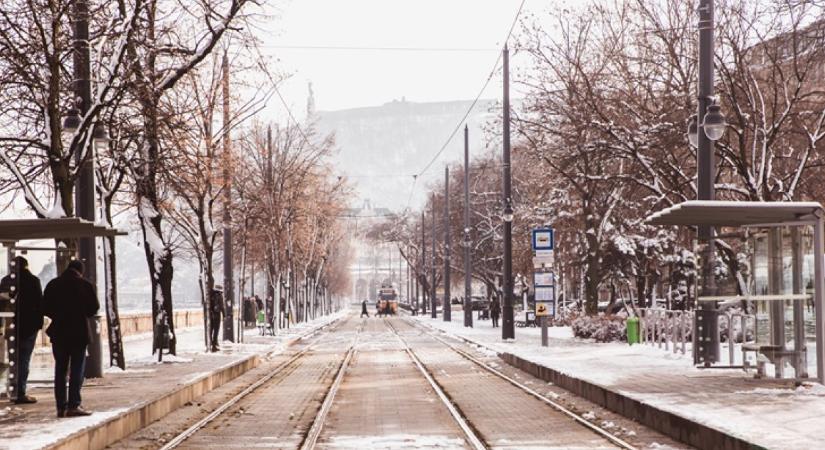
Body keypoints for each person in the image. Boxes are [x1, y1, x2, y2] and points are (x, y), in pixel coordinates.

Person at [43, 260, 99, 417]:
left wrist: (59, 316)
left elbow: (45, 307)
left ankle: (61, 406)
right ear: (80, 271)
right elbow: (93, 308)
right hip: (79, 333)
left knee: (60, 369)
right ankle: (74, 405)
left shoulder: (53, 284)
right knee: (77, 369)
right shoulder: (85, 285)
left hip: (59, 332)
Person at [0, 256, 43, 404]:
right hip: (29, 326)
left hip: (11, 325)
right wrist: (38, 324)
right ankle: (20, 393)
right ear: (26, 265)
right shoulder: (33, 280)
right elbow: (40, 303)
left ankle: (12, 389)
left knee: (13, 360)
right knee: (24, 360)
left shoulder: (6, 281)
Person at [209, 286, 225, 352]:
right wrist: (224, 315)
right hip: (217, 314)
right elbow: (221, 306)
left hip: (211, 314)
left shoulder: (211, 295)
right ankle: (214, 345)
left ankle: (210, 343)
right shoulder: (219, 296)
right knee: (216, 331)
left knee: (211, 330)